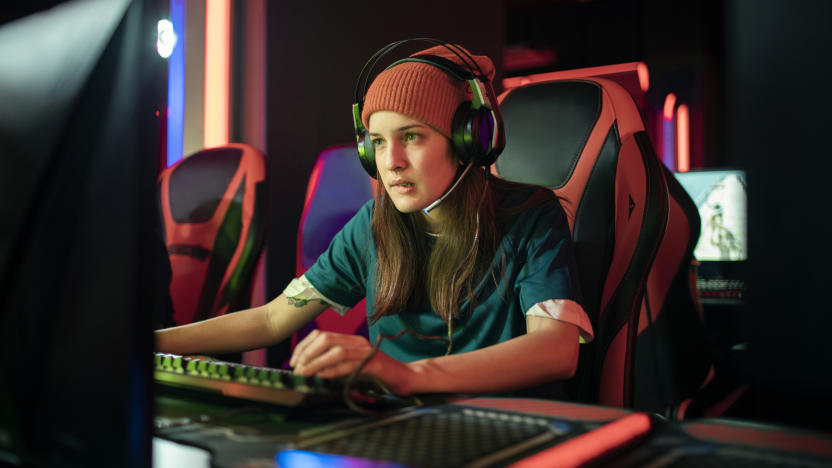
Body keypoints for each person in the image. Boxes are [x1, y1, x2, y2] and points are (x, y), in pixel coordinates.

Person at [156, 40, 594, 398]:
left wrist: (407, 375)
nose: (392, 161)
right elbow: (273, 319)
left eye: (412, 137)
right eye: (378, 142)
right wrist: (151, 346)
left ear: (468, 140)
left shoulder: (532, 217)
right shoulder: (374, 223)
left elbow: (556, 350)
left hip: (505, 432)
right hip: (402, 429)